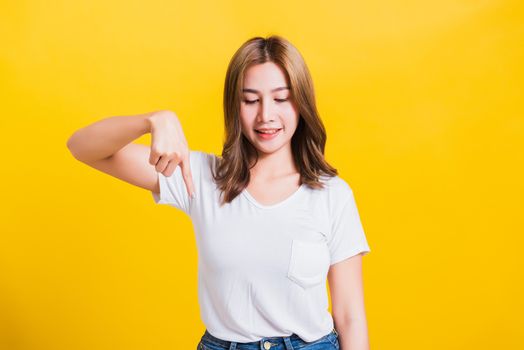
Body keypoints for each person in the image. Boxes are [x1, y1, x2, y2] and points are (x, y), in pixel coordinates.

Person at [67, 35, 371, 350]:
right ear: (234, 105)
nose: (266, 115)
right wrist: (153, 120)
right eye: (251, 100)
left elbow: (350, 317)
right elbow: (82, 148)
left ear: (302, 103)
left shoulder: (332, 194)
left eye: (281, 98)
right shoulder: (200, 176)